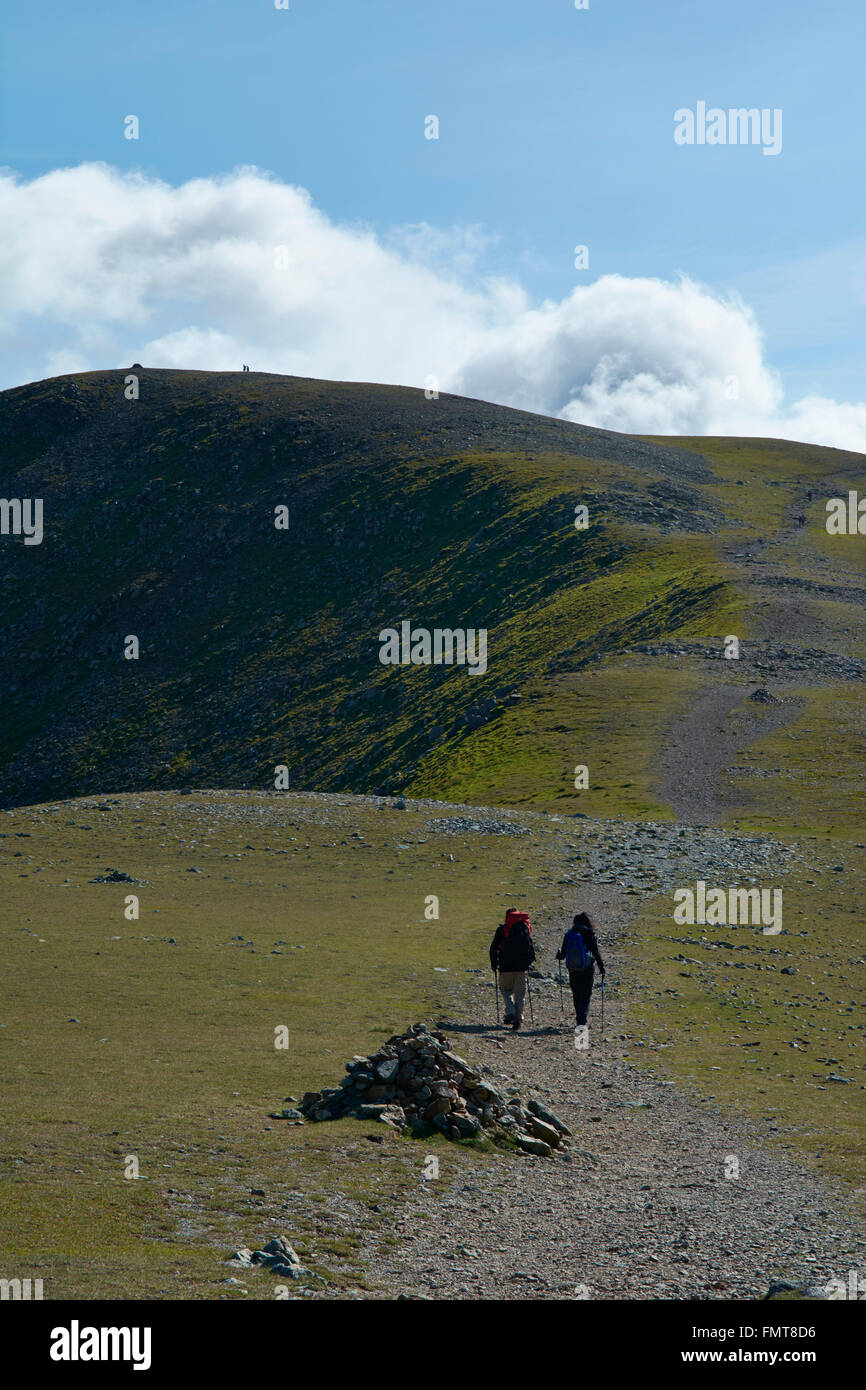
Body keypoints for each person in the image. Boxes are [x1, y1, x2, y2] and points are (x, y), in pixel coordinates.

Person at [556, 911, 605, 1028]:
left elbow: (562, 955)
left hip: (573, 969)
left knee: (576, 993)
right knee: (586, 993)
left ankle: (579, 1017)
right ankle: (583, 1017)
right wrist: (601, 967)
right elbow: (595, 952)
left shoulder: (569, 934)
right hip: (587, 968)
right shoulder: (588, 933)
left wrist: (558, 955)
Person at [489, 908, 535, 1030]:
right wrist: (528, 963)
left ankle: (510, 1012)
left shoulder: (502, 930)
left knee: (505, 990)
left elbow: (494, 948)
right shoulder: (525, 928)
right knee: (520, 994)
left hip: (505, 966)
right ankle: (518, 1020)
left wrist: (494, 964)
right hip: (521, 968)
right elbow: (530, 947)